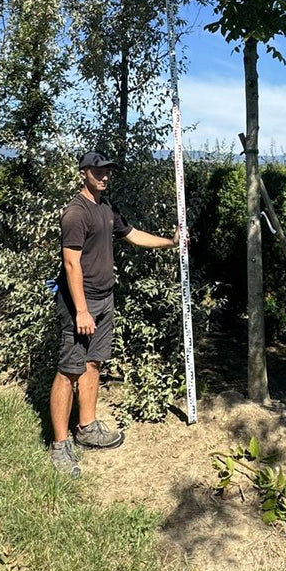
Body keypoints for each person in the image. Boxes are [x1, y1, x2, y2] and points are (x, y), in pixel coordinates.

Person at [50, 150, 177, 474]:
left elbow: (132, 235)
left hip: (105, 300)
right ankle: (60, 446)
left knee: (93, 363)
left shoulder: (106, 208)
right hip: (81, 303)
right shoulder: (76, 213)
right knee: (69, 370)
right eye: (97, 171)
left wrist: (171, 242)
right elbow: (70, 264)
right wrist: (81, 311)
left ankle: (87, 428)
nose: (104, 176)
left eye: (108, 172)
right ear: (84, 172)